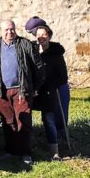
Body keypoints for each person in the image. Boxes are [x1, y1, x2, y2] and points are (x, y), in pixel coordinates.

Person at [0, 19, 45, 166]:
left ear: (15, 29)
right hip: (2, 91)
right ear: (0, 31)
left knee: (23, 122)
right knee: (8, 122)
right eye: (6, 30)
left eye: (12, 29)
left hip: (22, 90)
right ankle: (11, 151)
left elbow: (39, 67)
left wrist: (34, 88)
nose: (9, 32)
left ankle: (25, 152)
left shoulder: (25, 44)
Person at [26, 18, 69, 161]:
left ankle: (54, 151)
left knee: (49, 120)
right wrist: (33, 87)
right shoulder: (31, 50)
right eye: (39, 35)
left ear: (49, 35)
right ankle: (29, 147)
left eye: (44, 34)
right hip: (33, 92)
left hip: (48, 92)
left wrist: (47, 87)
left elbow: (62, 77)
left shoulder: (56, 53)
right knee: (27, 119)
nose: (41, 37)